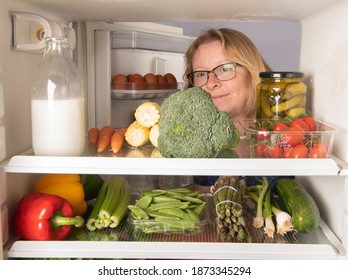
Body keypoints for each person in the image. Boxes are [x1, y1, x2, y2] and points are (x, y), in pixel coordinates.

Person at [184, 28, 272, 134]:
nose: (211, 83)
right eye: (201, 74)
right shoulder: (187, 137)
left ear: (252, 72)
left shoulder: (289, 135)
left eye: (225, 69)